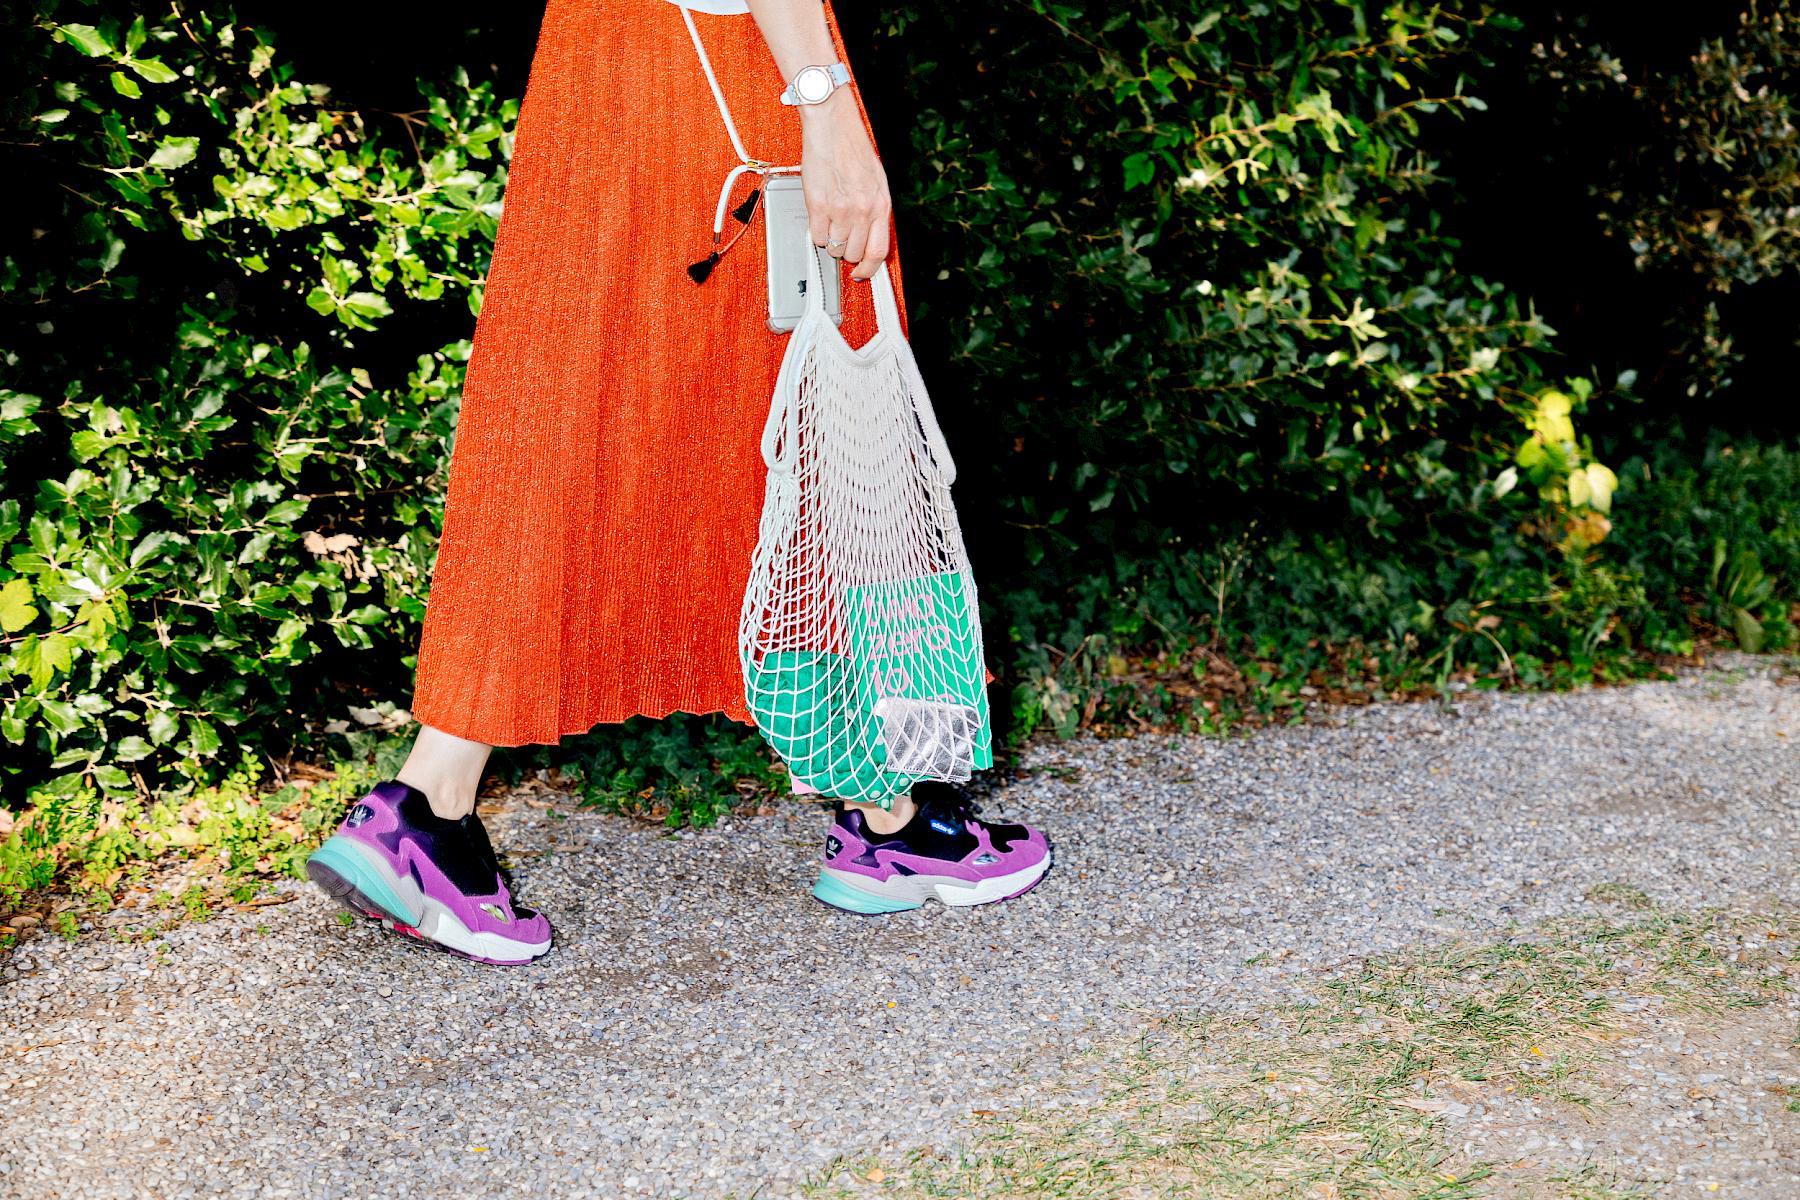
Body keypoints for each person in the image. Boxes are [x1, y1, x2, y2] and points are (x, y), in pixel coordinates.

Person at [304, 0, 1051, 965]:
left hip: (602, 70)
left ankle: (429, 803)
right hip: (726, 79)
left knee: (581, 431)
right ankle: (891, 821)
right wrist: (823, 102)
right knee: (817, 427)